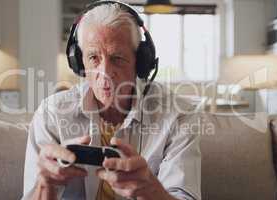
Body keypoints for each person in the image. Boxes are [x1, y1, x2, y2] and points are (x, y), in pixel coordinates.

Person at [22, 1, 201, 200]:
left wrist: (152, 191)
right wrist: (45, 185)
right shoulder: (51, 115)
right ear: (79, 62)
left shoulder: (179, 115)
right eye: (93, 57)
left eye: (117, 58)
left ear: (140, 62)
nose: (105, 73)